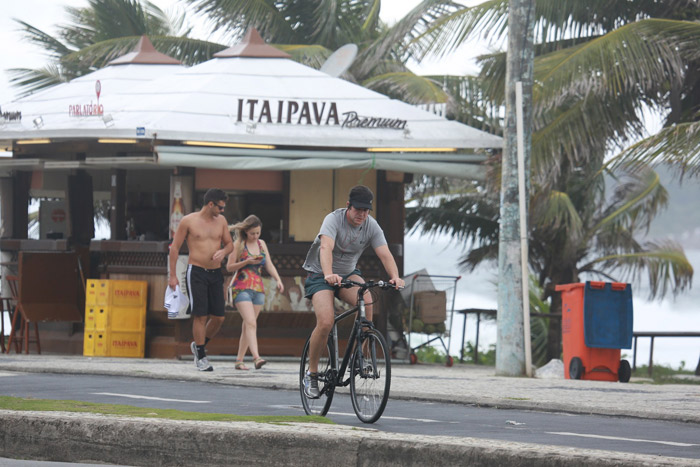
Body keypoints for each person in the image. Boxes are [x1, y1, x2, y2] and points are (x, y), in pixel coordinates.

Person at [301, 185, 405, 398]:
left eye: (366, 211)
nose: (362, 215)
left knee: (367, 302)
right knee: (326, 321)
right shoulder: (333, 219)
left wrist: (395, 276)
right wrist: (329, 273)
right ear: (348, 206)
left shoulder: (371, 225)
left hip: (348, 274)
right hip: (320, 274)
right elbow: (326, 248)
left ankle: (361, 357)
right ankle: (311, 375)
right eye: (358, 210)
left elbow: (384, 254)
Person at [169, 188, 233, 372]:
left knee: (219, 317)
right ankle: (201, 356)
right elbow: (174, 249)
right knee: (200, 314)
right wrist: (172, 276)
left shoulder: (221, 221)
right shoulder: (188, 221)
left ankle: (199, 345)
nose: (222, 211)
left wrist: (223, 251)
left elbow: (229, 244)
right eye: (220, 207)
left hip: (215, 272)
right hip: (196, 271)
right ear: (210, 204)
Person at [226, 215, 284, 370]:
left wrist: (278, 279)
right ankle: (257, 357)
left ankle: (239, 360)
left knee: (248, 325)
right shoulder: (238, 244)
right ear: (246, 232)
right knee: (251, 322)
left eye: (258, 233)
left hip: (258, 288)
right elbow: (229, 267)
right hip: (241, 286)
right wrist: (246, 262)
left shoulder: (262, 244)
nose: (255, 236)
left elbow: (269, 265)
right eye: (252, 233)